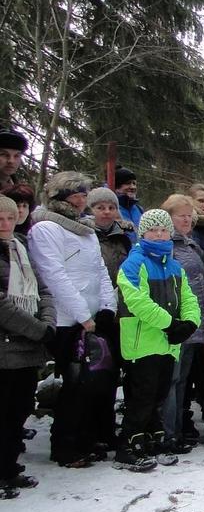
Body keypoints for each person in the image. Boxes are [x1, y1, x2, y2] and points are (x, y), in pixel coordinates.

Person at [28, 171, 117, 468]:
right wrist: (82, 315)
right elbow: (53, 275)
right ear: (60, 198)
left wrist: (107, 306)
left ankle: (87, 437)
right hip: (68, 320)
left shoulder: (86, 229)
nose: (82, 201)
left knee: (94, 384)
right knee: (74, 385)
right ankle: (65, 445)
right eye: (76, 196)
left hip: (93, 317)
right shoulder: (45, 228)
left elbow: (100, 271)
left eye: (84, 195)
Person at [115, 209, 200, 471]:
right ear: (143, 233)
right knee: (142, 397)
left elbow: (189, 297)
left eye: (164, 230)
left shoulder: (174, 265)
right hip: (142, 342)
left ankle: (151, 439)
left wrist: (189, 323)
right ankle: (127, 445)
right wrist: (170, 323)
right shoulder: (133, 263)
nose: (160, 235)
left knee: (160, 395)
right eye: (154, 230)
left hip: (168, 343)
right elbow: (137, 301)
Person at [0, 194, 56, 496]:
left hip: (28, 348)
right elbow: (3, 306)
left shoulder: (20, 249)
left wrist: (47, 322)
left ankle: (9, 466)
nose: (6, 223)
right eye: (0, 218)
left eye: (10, 217)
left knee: (19, 409)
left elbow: (43, 289)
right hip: (5, 347)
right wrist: (37, 329)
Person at [83, 187, 133, 446]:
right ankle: (89, 431)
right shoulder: (82, 234)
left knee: (112, 373)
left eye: (111, 207)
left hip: (119, 312)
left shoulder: (124, 236)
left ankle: (106, 429)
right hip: (92, 312)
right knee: (93, 375)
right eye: (99, 207)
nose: (106, 212)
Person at [161, 194, 204, 451]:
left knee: (181, 382)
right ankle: (168, 434)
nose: (187, 220)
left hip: (194, 325)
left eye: (190, 215)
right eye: (182, 216)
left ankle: (177, 431)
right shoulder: (165, 247)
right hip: (173, 325)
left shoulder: (192, 246)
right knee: (170, 381)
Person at [114, 166, 144, 242]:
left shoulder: (139, 209)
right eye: (128, 183)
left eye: (134, 183)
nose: (133, 187)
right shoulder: (111, 208)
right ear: (117, 186)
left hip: (139, 252)